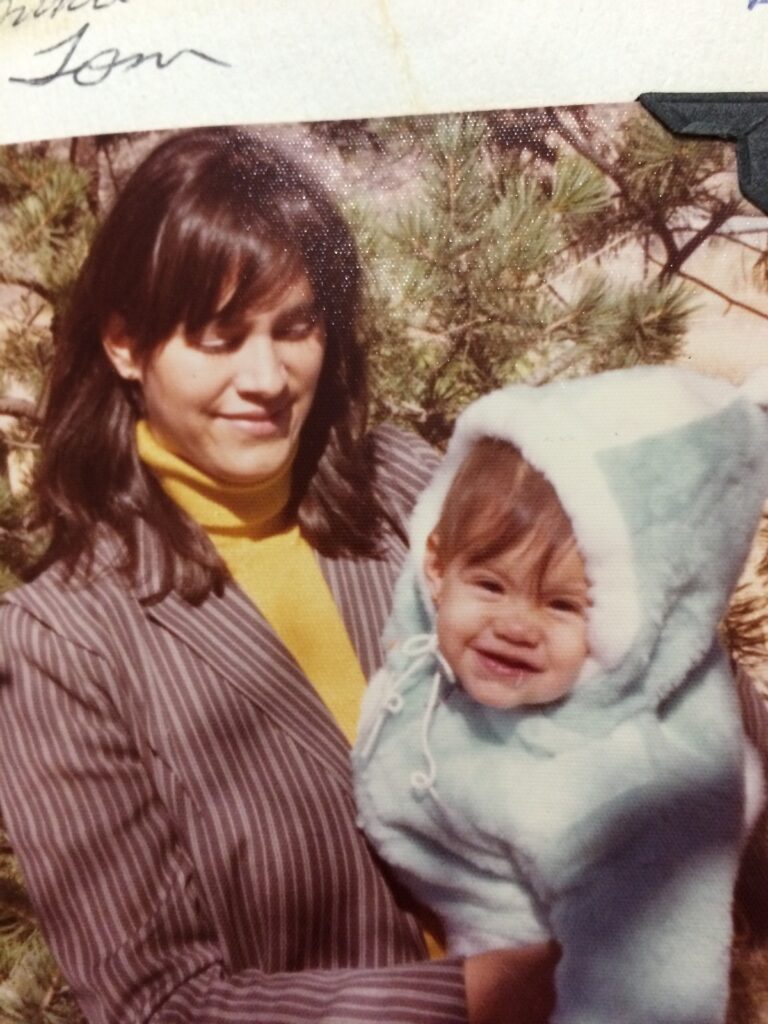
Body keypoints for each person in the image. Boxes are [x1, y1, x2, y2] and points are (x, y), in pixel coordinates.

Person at [0, 128, 556, 1024]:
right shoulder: (64, 642)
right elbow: (159, 1002)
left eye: (296, 327)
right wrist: (483, 996)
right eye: (220, 338)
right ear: (125, 345)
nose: (266, 377)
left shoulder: (406, 491)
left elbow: (653, 669)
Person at [353, 366, 768, 1024]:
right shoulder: (427, 666)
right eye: (490, 585)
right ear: (435, 567)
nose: (517, 626)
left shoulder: (618, 792)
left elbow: (648, 991)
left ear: (624, 629)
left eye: (562, 604)